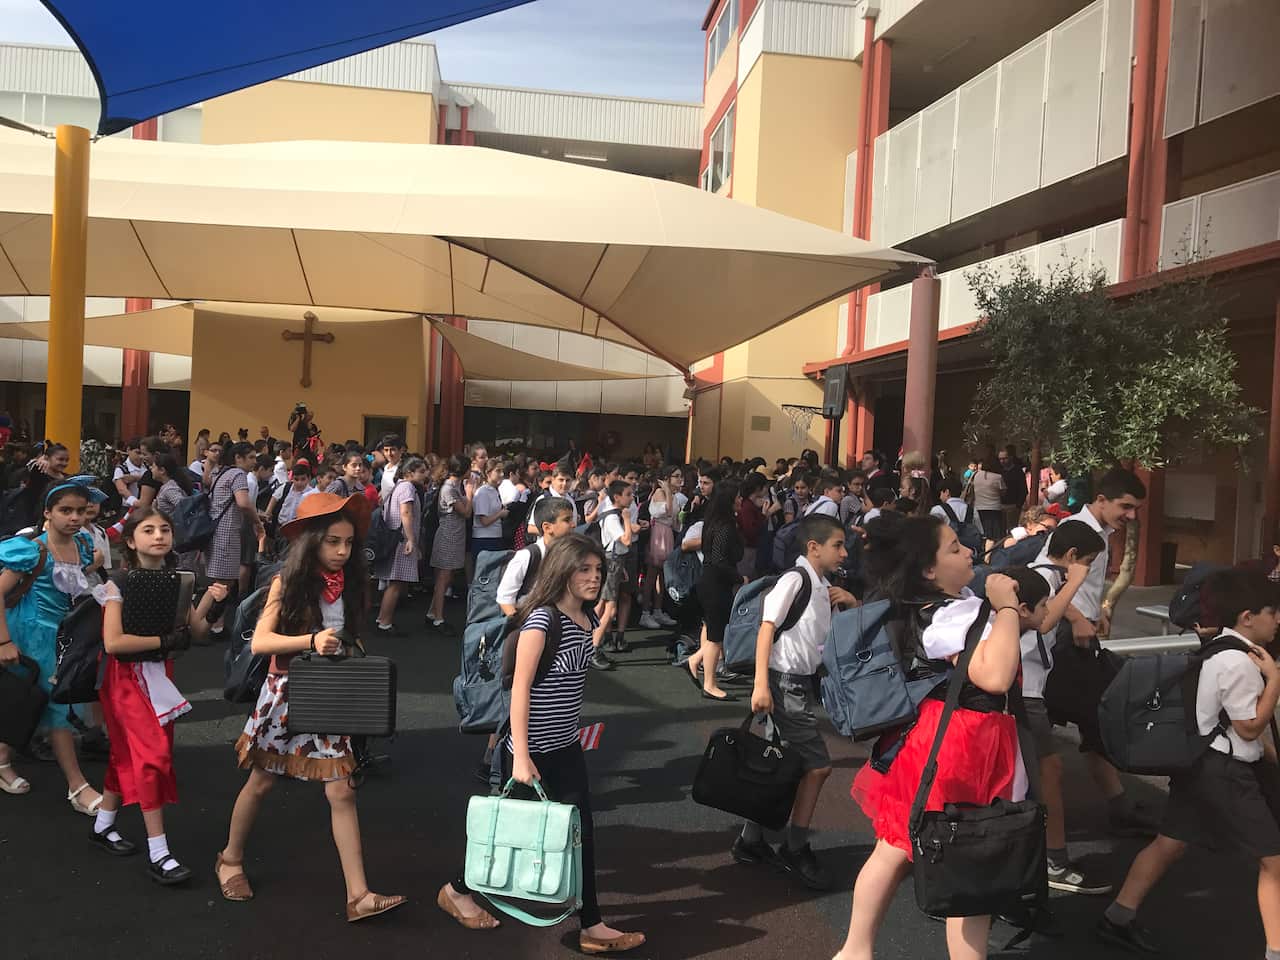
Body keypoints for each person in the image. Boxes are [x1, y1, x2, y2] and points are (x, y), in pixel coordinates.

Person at [836, 514, 1050, 960]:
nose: (969, 551)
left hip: (957, 737)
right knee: (964, 854)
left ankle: (855, 951)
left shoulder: (956, 604)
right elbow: (992, 675)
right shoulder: (952, 614)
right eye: (954, 548)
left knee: (906, 848)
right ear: (929, 570)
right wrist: (1007, 608)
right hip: (964, 743)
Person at [438, 534, 646, 954]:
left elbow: (574, 667)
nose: (594, 577)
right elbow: (520, 689)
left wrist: (600, 624)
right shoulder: (542, 622)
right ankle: (457, 889)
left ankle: (591, 923)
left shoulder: (583, 619)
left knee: (578, 830)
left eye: (597, 570)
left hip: (564, 745)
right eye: (583, 570)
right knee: (509, 832)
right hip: (530, 750)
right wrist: (521, 756)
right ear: (562, 572)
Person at [216, 493, 405, 922]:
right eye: (332, 542)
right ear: (311, 542)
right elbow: (261, 642)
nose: (342, 551)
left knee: (341, 789)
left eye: (349, 543)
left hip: (331, 693)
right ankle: (229, 859)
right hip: (286, 693)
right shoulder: (288, 581)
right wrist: (311, 641)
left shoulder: (352, 583)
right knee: (261, 783)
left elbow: (349, 636)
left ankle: (358, 895)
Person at [1096, 568, 1280, 956]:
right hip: (1226, 774)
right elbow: (1248, 729)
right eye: (1272, 611)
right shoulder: (1241, 663)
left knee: (1169, 843)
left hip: (1198, 764)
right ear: (1247, 617)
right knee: (1274, 862)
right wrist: (1275, 681)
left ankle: (1118, 916)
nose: (1277, 620)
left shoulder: (1217, 648)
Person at [91, 507, 227, 883]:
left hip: (157, 674)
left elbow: (195, 631)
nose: (158, 535)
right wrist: (164, 640)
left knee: (126, 753)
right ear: (131, 541)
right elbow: (114, 642)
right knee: (152, 757)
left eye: (164, 529)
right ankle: (159, 852)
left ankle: (103, 824)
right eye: (148, 529)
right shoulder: (117, 583)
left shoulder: (179, 581)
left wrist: (211, 602)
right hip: (123, 678)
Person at [738, 514, 856, 888]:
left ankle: (750, 840)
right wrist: (761, 684)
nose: (844, 552)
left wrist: (851, 602)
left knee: (782, 764)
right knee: (818, 766)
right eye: (837, 545)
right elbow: (766, 628)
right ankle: (795, 846)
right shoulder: (796, 579)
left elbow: (837, 636)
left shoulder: (824, 585)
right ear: (813, 547)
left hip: (799, 683)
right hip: (783, 682)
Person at [1036, 467, 1153, 836]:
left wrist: (1096, 611)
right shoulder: (1074, 532)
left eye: (1135, 509)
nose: (1131, 516)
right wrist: (1076, 617)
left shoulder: (1100, 533)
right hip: (1065, 643)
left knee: (1097, 720)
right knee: (1084, 720)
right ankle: (1032, 818)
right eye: (1126, 506)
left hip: (1080, 639)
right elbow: (1043, 577)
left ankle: (1118, 804)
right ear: (1101, 500)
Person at [1017, 521, 1109, 895]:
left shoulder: (1047, 577)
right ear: (1072, 557)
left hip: (1031, 686)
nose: (1087, 569)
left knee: (1036, 773)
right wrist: (1075, 581)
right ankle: (1053, 859)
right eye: (1086, 561)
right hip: (1023, 688)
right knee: (1049, 770)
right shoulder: (1042, 578)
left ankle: (1033, 854)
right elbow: (1041, 624)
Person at [0, 483, 105, 810]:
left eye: (81, 511)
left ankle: (2, 761)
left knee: (28, 701)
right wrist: (3, 641)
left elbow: (77, 582)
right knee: (53, 705)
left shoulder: (83, 545)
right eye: (65, 510)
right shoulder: (32, 550)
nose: (75, 518)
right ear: (47, 513)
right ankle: (77, 785)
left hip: (64, 635)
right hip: (30, 634)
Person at [686, 485, 742, 701]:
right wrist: (739, 578)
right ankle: (709, 684)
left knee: (712, 630)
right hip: (716, 583)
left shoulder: (713, 523)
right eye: (737, 497)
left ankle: (695, 660)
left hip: (709, 581)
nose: (740, 500)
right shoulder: (725, 526)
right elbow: (719, 559)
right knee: (716, 636)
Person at [205, 443, 265, 634]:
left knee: (219, 580)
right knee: (224, 582)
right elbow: (243, 503)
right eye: (251, 458)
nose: (254, 462)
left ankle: (213, 623)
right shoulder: (238, 475)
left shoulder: (220, 472)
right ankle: (214, 624)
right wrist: (257, 522)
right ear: (238, 458)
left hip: (215, 530)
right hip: (228, 531)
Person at [374, 456, 428, 634]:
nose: (425, 474)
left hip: (395, 538)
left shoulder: (398, 486)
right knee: (396, 583)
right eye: (421, 471)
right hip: (401, 540)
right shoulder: (407, 487)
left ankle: (383, 619)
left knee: (395, 582)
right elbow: (406, 512)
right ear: (409, 472)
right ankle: (384, 621)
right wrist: (412, 539)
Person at [593, 480, 636, 670]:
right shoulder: (613, 517)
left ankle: (586, 642)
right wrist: (627, 520)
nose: (631, 497)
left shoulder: (611, 512)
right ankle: (592, 649)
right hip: (612, 562)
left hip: (614, 561)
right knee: (610, 610)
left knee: (601, 605)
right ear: (617, 497)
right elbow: (626, 540)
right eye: (628, 494)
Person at [427, 455, 472, 634]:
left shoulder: (454, 486)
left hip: (454, 535)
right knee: (443, 578)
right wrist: (470, 494)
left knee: (447, 577)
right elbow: (466, 512)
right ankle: (438, 618)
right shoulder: (449, 488)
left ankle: (432, 613)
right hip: (448, 535)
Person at [639, 465, 683, 630]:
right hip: (658, 533)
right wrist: (665, 490)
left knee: (662, 575)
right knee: (652, 573)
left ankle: (658, 610)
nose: (680, 480)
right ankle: (645, 612)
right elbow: (665, 510)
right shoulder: (659, 493)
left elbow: (676, 519)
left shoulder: (674, 496)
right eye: (676, 476)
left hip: (668, 533)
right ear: (666, 478)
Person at [470, 460, 508, 560]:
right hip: (485, 539)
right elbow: (484, 521)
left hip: (495, 537)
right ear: (488, 473)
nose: (502, 474)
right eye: (498, 471)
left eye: (502, 471)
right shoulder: (483, 492)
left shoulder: (494, 490)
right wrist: (500, 514)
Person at [970, 455, 1006, 549]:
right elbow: (1003, 492)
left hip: (979, 508)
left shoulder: (976, 475)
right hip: (994, 509)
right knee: (994, 535)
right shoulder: (998, 477)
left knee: (982, 533)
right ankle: (990, 555)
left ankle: (981, 552)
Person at [997, 445, 1028, 531]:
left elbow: (1023, 490)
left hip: (1013, 506)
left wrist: (1018, 505)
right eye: (1000, 459)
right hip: (1000, 506)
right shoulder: (999, 471)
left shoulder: (1018, 471)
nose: (1002, 461)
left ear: (1010, 457)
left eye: (1005, 458)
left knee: (1012, 531)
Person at [112, 438, 147, 504]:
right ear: (128, 450)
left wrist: (137, 478)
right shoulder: (121, 469)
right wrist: (135, 502)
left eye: (143, 454)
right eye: (138, 453)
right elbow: (121, 489)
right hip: (129, 507)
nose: (141, 457)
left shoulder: (148, 467)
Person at [378, 436, 405, 505]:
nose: (389, 454)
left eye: (392, 450)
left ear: (401, 450)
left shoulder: (404, 469)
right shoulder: (386, 467)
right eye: (386, 450)